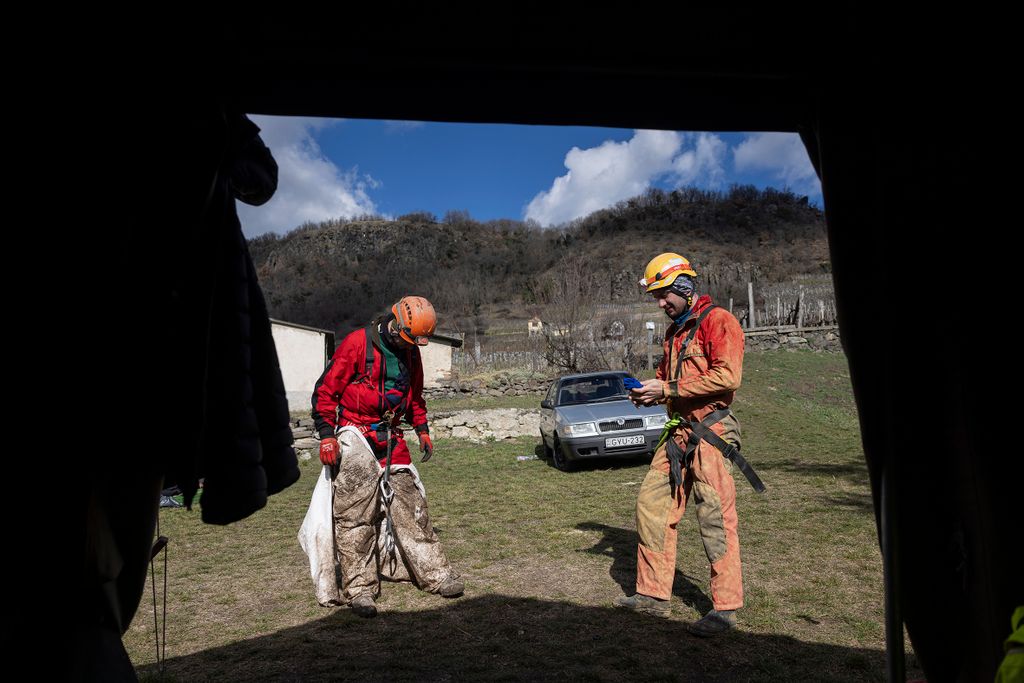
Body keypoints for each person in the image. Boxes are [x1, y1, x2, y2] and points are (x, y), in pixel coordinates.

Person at [616, 252, 764, 637]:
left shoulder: (719, 321)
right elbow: (666, 379)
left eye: (665, 295)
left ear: (684, 286)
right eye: (656, 297)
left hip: (712, 430)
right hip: (678, 432)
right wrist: (650, 394)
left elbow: (728, 377)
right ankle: (652, 596)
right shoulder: (674, 333)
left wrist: (668, 388)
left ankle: (726, 607)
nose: (661, 303)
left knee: (714, 514)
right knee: (650, 505)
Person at [310, 295, 463, 618]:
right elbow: (326, 391)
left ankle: (436, 574)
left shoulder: (410, 353)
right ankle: (360, 589)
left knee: (412, 504)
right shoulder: (357, 344)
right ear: (396, 325)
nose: (412, 347)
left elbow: (415, 395)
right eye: (409, 340)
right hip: (355, 430)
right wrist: (327, 436)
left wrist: (421, 428)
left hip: (391, 434)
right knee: (354, 512)